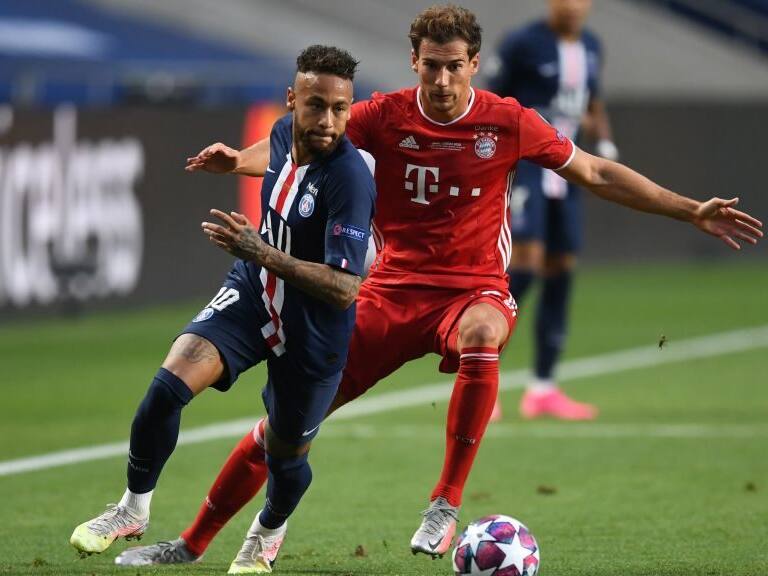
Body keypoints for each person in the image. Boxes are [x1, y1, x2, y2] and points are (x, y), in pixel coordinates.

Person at [115, 4, 763, 570]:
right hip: (389, 292)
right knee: (284, 430)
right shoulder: (383, 115)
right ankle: (193, 544)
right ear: (414, 62)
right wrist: (241, 158)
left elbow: (594, 171)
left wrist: (687, 209)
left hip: (472, 290)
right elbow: (309, 141)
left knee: (485, 333)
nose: (444, 79)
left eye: (455, 66)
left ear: (474, 64)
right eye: (431, 66)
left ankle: (444, 503)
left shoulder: (507, 122)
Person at [69, 44, 376, 574]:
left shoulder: (349, 178)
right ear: (292, 101)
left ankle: (268, 531)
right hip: (255, 292)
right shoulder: (285, 132)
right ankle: (131, 508)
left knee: (285, 457)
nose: (328, 121)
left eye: (340, 109)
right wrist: (238, 160)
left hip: (314, 327)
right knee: (166, 389)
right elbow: (276, 150)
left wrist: (262, 251)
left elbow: (345, 288)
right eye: (315, 105)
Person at [486, 0, 616, 421]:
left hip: (569, 166)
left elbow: (592, 101)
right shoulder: (523, 43)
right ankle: (481, 371)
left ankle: (542, 387)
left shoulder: (593, 45)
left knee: (561, 265)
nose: (573, 6)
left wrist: (604, 137)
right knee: (523, 263)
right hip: (525, 163)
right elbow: (489, 97)